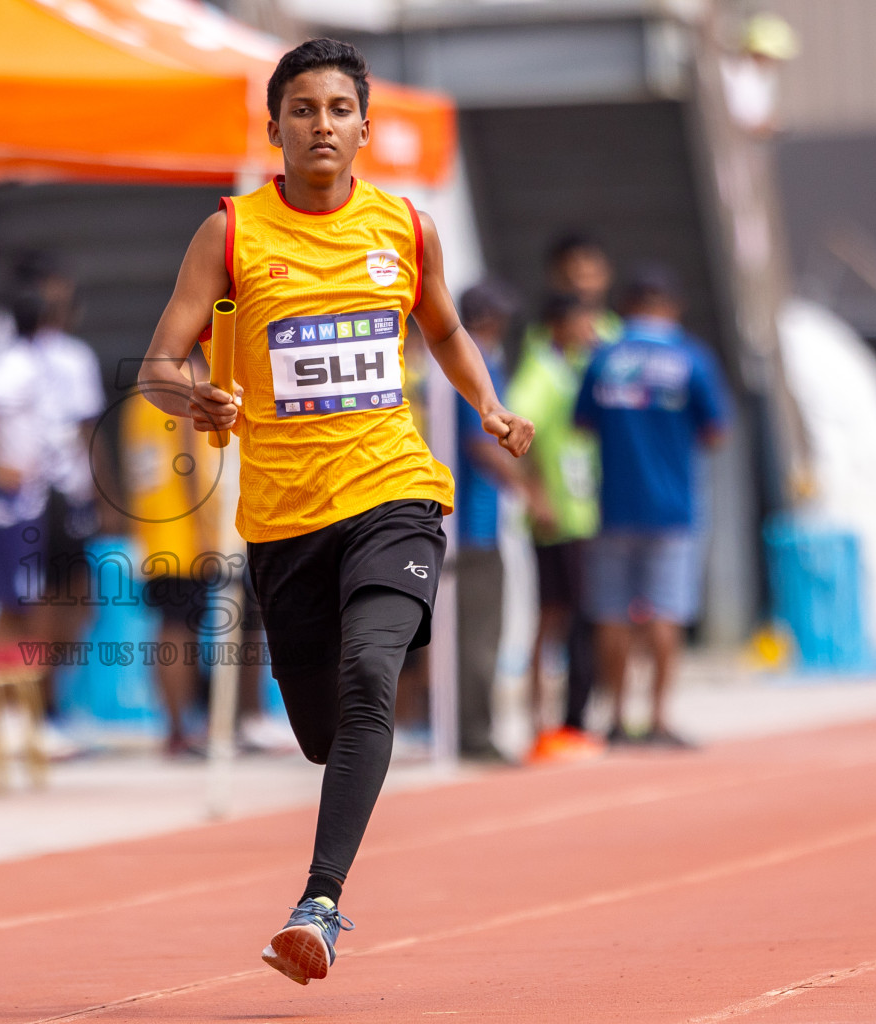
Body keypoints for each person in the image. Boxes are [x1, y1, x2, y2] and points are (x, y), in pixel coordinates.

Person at [138, 38, 532, 985]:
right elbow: (159, 364)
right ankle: (347, 743)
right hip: (284, 522)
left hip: (395, 491)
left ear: (365, 126)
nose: (322, 125)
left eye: (339, 110)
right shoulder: (230, 232)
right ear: (273, 125)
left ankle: (319, 902)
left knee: (370, 678)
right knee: (326, 729)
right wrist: (193, 397)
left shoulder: (405, 226)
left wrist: (485, 402)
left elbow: (441, 327)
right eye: (303, 109)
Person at [573, 265, 728, 748]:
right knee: (666, 611)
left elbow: (583, 424)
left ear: (627, 308)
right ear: (672, 307)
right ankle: (658, 719)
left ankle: (617, 718)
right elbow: (716, 431)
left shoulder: (605, 357)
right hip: (672, 507)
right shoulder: (691, 357)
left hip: (614, 503)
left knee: (613, 613)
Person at [0, 274, 104, 728]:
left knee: (73, 602)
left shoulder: (54, 360)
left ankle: (42, 704)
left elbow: (77, 428)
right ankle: (19, 711)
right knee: (27, 607)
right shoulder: (15, 362)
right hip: (25, 504)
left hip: (59, 497)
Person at [507, 292, 606, 763]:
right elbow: (515, 429)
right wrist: (535, 492)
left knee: (572, 619)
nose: (592, 328)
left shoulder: (576, 367)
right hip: (559, 519)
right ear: (559, 326)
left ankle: (564, 724)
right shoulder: (541, 373)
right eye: (583, 318)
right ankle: (544, 725)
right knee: (556, 621)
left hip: (584, 513)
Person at [121, 378, 223, 757]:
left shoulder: (140, 393)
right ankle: (182, 728)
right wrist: (203, 525)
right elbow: (188, 458)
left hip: (154, 525)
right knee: (180, 629)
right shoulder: (184, 386)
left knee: (170, 626)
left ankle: (177, 727)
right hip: (181, 529)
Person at [453, 280, 526, 764]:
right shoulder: (476, 361)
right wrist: (528, 487)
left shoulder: (454, 358)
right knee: (479, 633)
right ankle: (474, 734)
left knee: (464, 633)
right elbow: (481, 441)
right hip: (473, 523)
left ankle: (456, 726)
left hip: (450, 517)